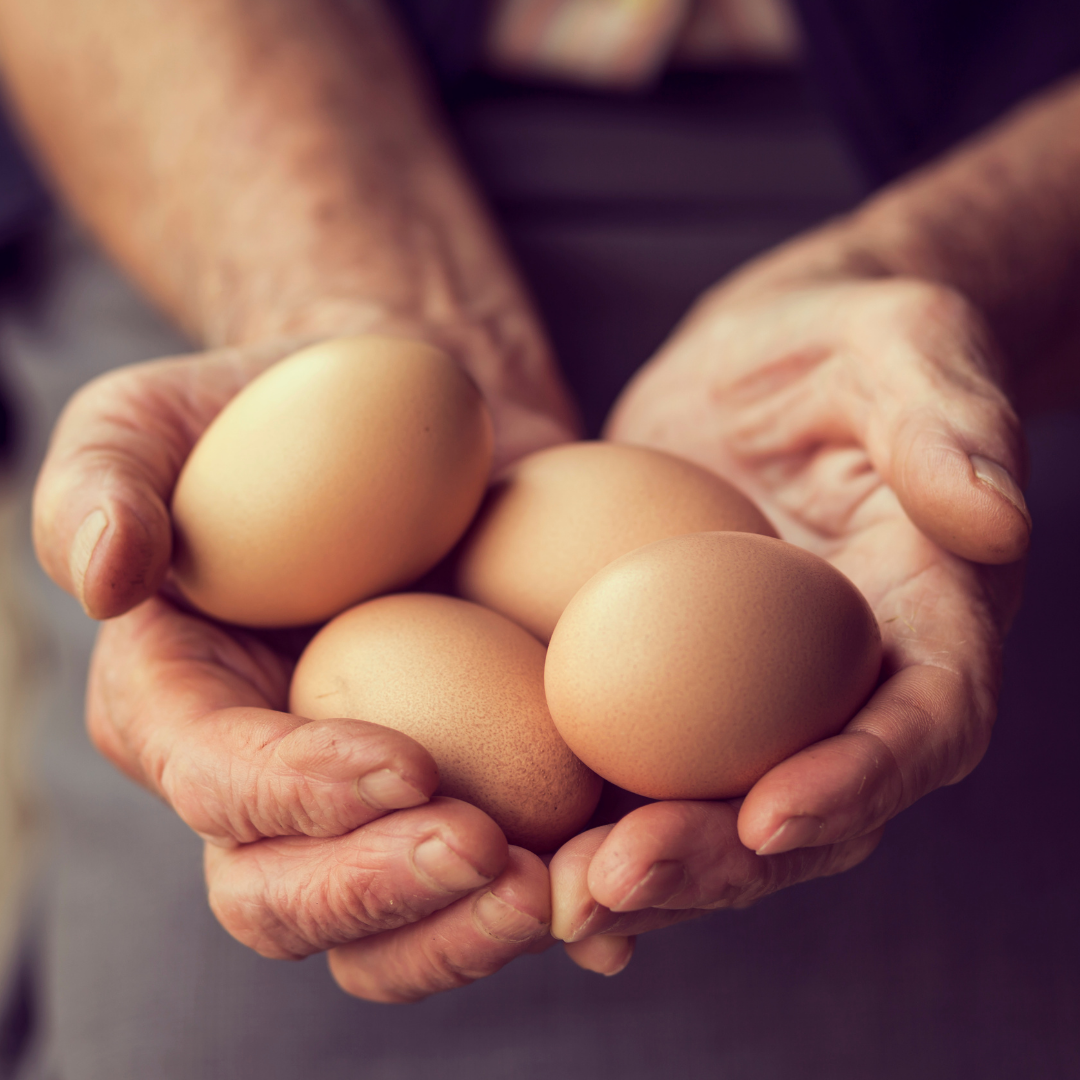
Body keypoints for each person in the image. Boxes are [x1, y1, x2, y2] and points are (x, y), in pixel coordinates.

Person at [0, 0, 1078, 1074]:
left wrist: (966, 264)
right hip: (261, 151)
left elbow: (726, 617)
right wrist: (347, 302)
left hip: (975, 172)